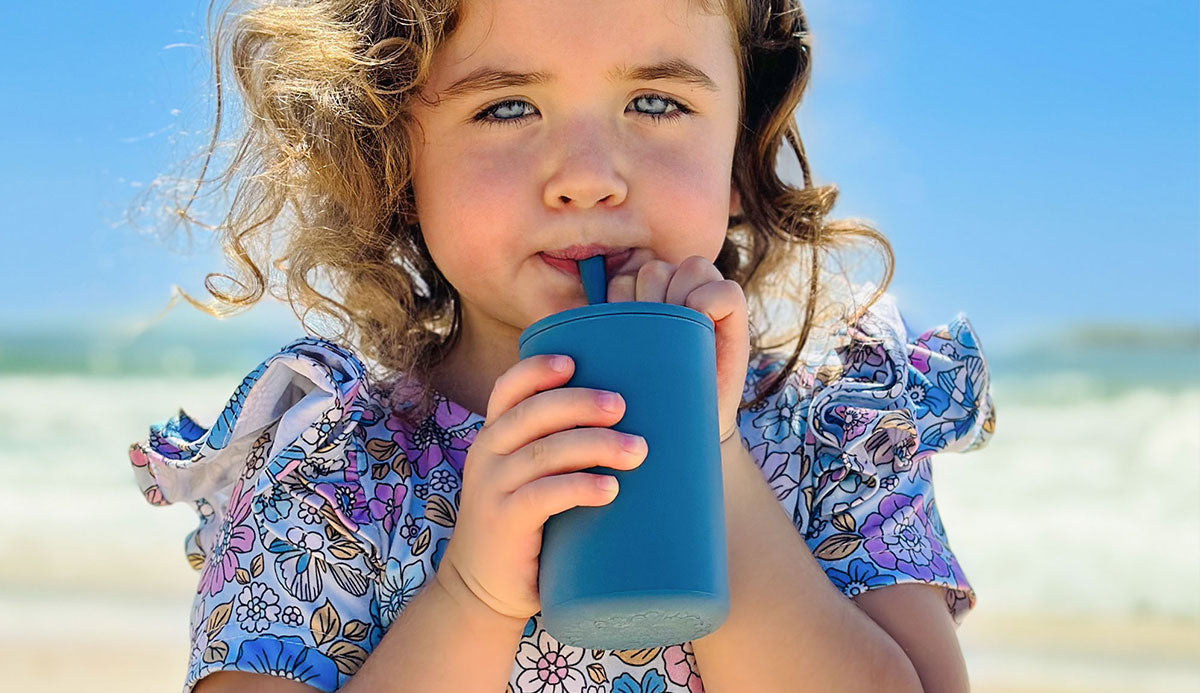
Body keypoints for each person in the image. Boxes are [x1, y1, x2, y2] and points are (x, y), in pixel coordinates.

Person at [128, 0, 997, 691]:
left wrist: (712, 458)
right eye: (508, 106)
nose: (586, 176)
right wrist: (470, 597)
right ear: (392, 153)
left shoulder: (826, 427)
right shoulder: (327, 476)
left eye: (656, 102)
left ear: (742, 149)